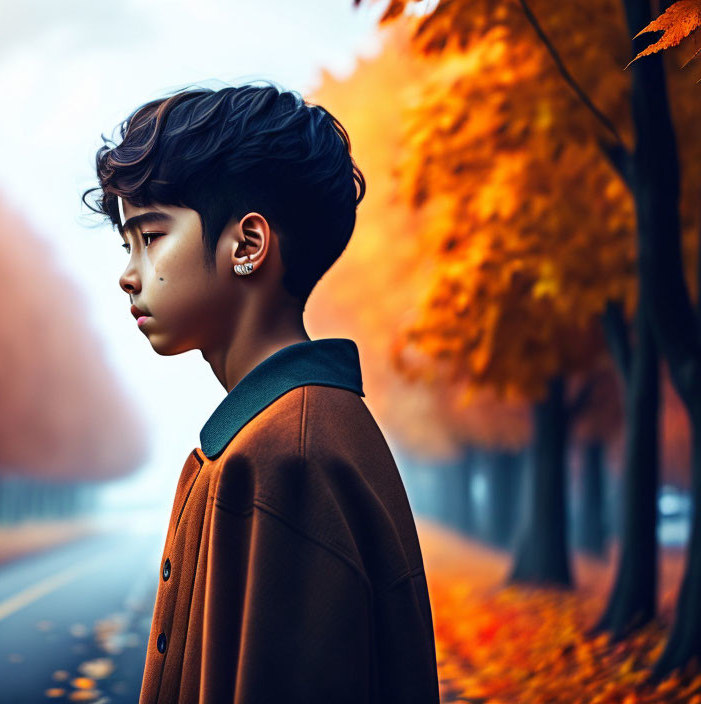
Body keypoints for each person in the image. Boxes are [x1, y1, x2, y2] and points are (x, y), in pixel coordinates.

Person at [82, 82, 440, 704]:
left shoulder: (286, 456)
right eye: (126, 243)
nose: (127, 273)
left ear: (247, 245)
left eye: (151, 235)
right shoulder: (287, 431)